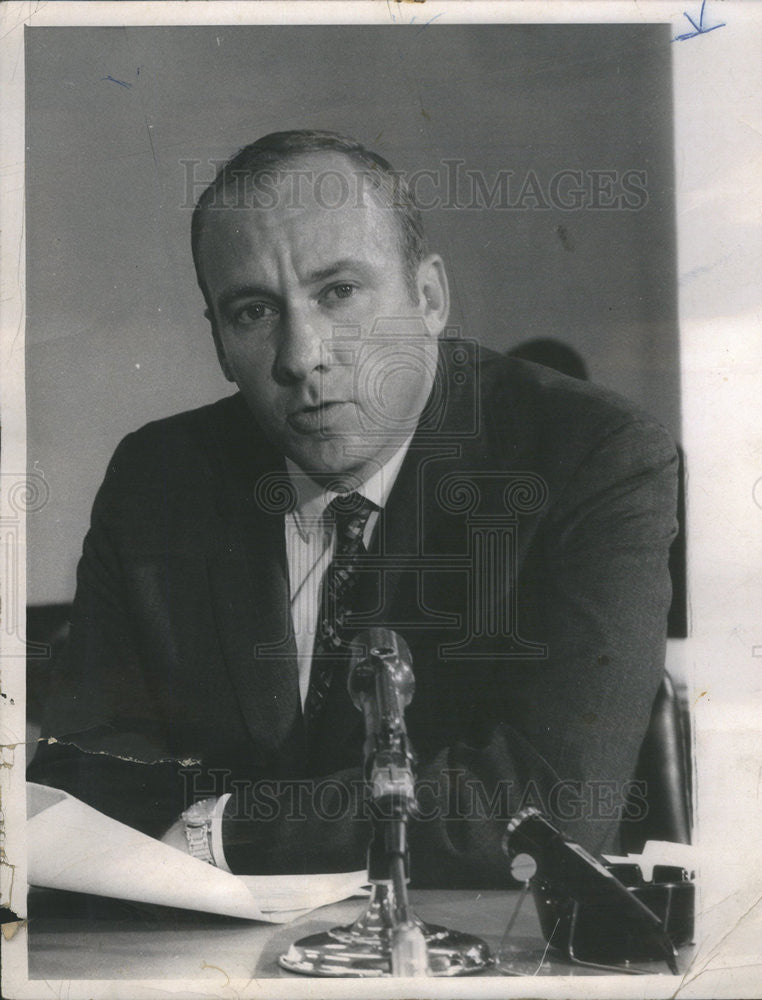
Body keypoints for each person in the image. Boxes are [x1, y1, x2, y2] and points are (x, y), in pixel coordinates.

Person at [29, 130, 678, 888]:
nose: (301, 355)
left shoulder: (588, 455)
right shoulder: (160, 478)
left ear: (429, 298)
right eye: (253, 311)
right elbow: (88, 770)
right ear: (219, 342)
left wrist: (225, 827)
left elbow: (550, 807)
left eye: (338, 291)